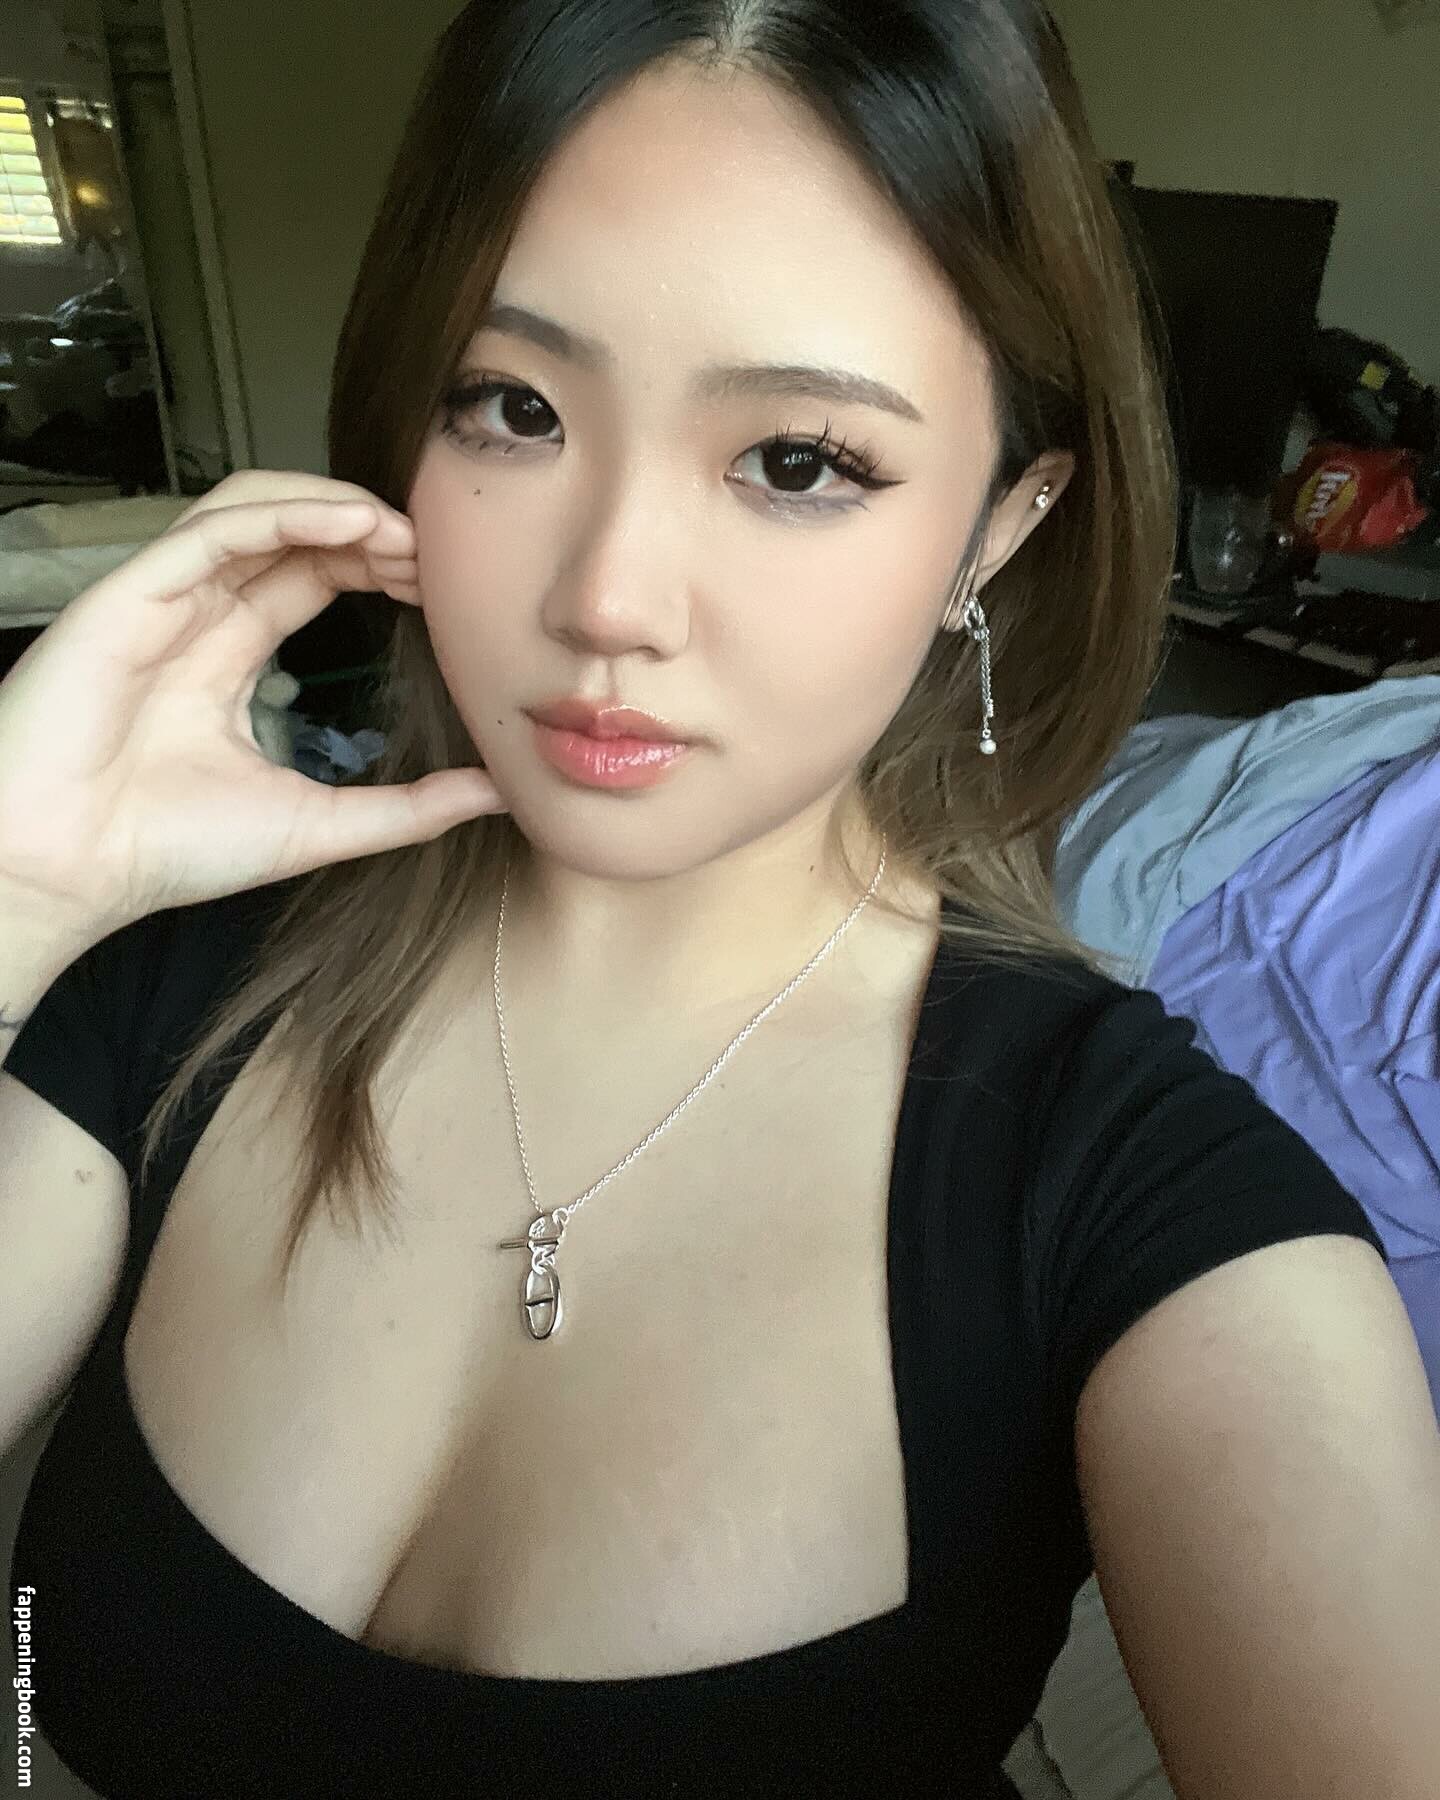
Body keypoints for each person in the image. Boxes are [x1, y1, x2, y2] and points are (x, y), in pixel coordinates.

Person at [1, 2, 1435, 1796]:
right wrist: (16, 890)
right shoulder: (169, 985)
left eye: (797, 460)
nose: (608, 597)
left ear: (1003, 523)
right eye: (514, 408)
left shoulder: (1145, 1213)